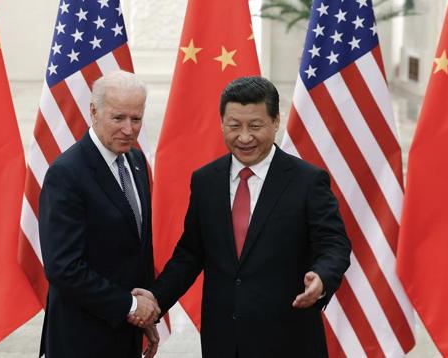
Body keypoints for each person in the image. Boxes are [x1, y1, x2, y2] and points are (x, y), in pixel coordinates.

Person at [133, 76, 351, 357]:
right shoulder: (206, 181)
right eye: (234, 126)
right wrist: (155, 300)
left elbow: (334, 244)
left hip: (288, 341)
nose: (245, 137)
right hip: (224, 341)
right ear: (222, 124)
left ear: (275, 122)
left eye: (256, 126)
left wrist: (322, 277)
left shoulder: (307, 181)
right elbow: (190, 254)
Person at [39, 71, 160, 358]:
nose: (129, 130)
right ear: (94, 112)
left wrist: (144, 317)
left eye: (136, 119)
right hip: (81, 339)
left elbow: (136, 247)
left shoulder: (136, 161)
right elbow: (63, 267)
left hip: (125, 334)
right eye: (118, 118)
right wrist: (130, 307)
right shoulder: (67, 173)